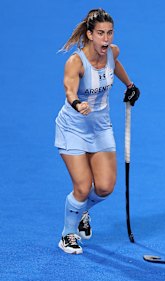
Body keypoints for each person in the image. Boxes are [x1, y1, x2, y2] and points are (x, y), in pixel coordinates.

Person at [55, 9, 140, 254]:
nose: (106, 39)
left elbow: (116, 65)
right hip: (73, 127)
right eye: (101, 33)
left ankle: (82, 212)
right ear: (90, 35)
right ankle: (68, 234)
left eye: (110, 33)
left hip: (101, 127)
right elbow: (69, 89)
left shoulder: (112, 52)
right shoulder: (76, 62)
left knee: (104, 187)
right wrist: (76, 103)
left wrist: (130, 84)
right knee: (82, 188)